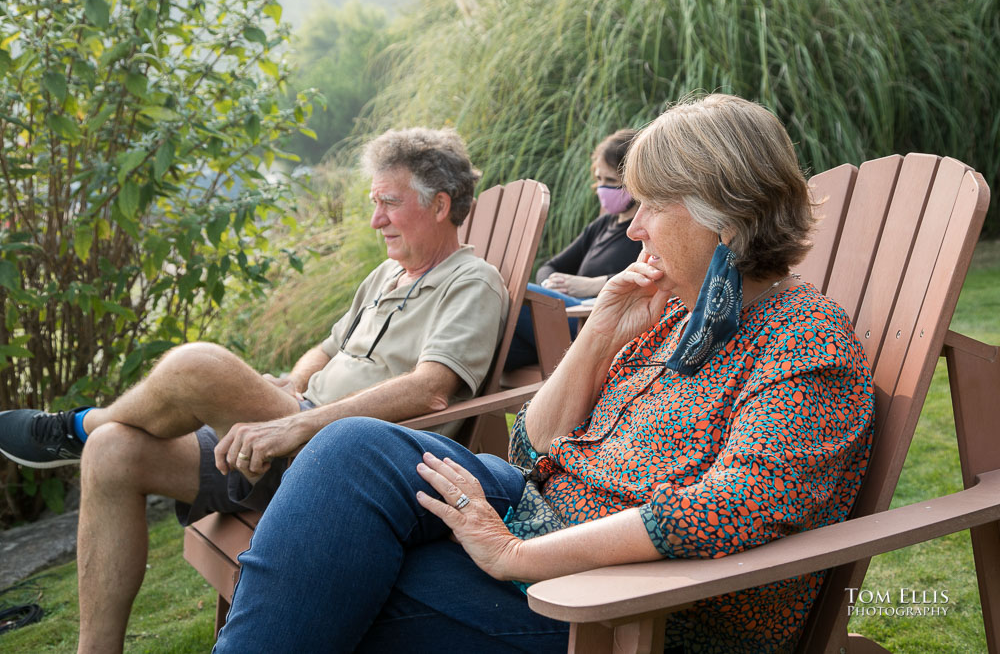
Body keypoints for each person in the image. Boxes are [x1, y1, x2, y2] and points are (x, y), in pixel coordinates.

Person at [213, 94, 875, 653]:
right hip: (543, 522)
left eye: (651, 205)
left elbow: (727, 509)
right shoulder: (682, 313)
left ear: (721, 212)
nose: (632, 225)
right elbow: (534, 447)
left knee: (344, 577)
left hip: (634, 608)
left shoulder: (805, 343)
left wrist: (514, 556)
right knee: (352, 445)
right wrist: (600, 336)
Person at [0, 127, 510, 653]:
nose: (375, 218)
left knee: (199, 364)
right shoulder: (387, 275)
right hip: (291, 433)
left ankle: (74, 427)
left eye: (389, 203)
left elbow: (431, 391)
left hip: (352, 464)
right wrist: (293, 382)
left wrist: (297, 422)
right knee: (113, 454)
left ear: (440, 204)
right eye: (373, 202)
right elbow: (326, 349)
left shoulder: (470, 282)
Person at [504, 129, 642, 370]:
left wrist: (593, 285)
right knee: (496, 348)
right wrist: (553, 283)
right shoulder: (601, 226)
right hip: (564, 319)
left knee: (516, 292)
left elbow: (649, 276)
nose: (601, 189)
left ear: (634, 180)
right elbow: (549, 266)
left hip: (592, 322)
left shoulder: (641, 230)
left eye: (610, 182)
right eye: (599, 180)